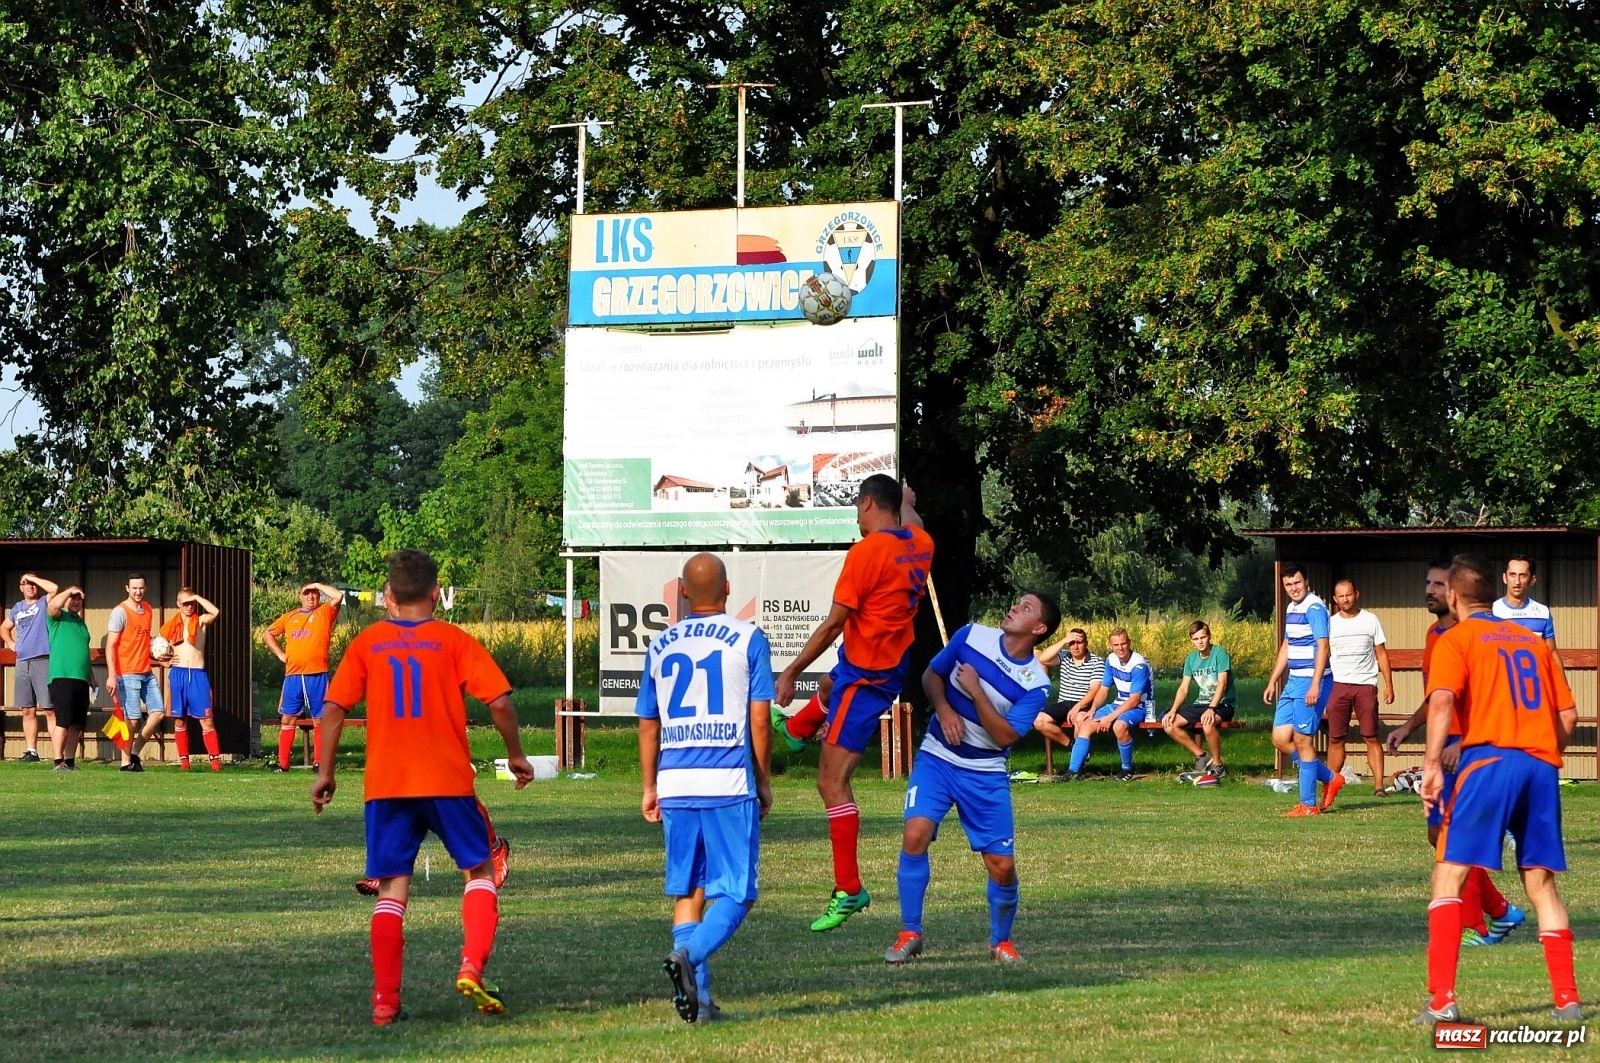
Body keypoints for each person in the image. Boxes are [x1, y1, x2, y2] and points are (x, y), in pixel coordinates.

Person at [312, 549, 533, 1026]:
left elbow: (333, 710)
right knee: (479, 872)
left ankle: (385, 1003)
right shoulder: (453, 640)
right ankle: (471, 964)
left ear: (388, 596)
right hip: (446, 781)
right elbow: (499, 700)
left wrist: (325, 771)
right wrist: (515, 754)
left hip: (387, 785)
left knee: (392, 890)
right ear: (437, 594)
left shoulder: (368, 642)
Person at [1416, 553, 1580, 1024]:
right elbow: (1566, 717)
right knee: (1541, 884)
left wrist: (1431, 764)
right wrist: (1542, 750)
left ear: (1453, 595)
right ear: (1492, 592)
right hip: (1541, 766)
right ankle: (1567, 1001)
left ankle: (1442, 1001)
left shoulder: (1457, 638)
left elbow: (1443, 698)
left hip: (1488, 761)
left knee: (1449, 875)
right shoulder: (1532, 642)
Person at [771, 474, 933, 932]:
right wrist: (907, 498)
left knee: (831, 784)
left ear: (865, 504)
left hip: (866, 678)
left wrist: (789, 671)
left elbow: (832, 625)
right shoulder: (919, 542)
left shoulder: (866, 552)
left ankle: (848, 888)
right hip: (880, 663)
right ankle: (798, 729)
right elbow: (915, 518)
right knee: (828, 685)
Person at [885, 592, 1059, 967]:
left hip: (985, 773)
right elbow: (931, 674)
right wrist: (945, 709)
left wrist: (976, 690)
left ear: (1039, 629)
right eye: (1017, 602)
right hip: (937, 757)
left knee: (1002, 866)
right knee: (915, 834)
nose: (1014, 607)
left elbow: (1006, 737)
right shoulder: (970, 635)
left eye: (1026, 608)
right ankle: (910, 932)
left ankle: (1001, 942)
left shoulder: (1036, 684)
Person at [637, 553, 774, 1023]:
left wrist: (648, 785)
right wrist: (763, 778)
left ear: (682, 591)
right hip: (727, 780)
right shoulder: (748, 638)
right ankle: (688, 958)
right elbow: (759, 717)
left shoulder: (660, 646)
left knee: (689, 890)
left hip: (675, 781)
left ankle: (702, 1004)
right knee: (739, 892)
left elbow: (647, 723)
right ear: (729, 588)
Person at [1387, 562, 1524, 948]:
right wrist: (1408, 727)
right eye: (1426, 582)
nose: (1430, 590)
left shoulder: (1480, 636)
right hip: (1443, 744)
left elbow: (1493, 698)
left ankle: (1475, 924)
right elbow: (1438, 697)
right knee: (1439, 835)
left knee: (1456, 838)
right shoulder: (1435, 635)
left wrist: (1462, 743)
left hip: (1470, 746)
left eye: (1438, 584)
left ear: (1456, 592)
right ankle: (1499, 910)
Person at [1263, 564, 1337, 816]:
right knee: (1280, 738)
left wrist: (1315, 684)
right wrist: (1273, 680)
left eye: (1297, 582)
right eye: (1288, 585)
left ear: (1306, 581)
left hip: (1312, 681)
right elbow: (1287, 645)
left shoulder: (1314, 607)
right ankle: (1329, 777)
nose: (1293, 588)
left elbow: (1324, 647)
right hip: (1294, 680)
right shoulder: (1292, 607)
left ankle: (1308, 805)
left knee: (1302, 740)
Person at [264, 581, 344, 772]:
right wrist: (280, 654)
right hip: (293, 676)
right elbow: (267, 634)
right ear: (300, 596)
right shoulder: (290, 617)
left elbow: (338, 596)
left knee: (319, 719)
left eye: (314, 593)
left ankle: (319, 762)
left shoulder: (324, 612)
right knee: (287, 719)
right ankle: (283, 765)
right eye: (306, 593)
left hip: (317, 674)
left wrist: (317, 584)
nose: (310, 597)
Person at [1325, 579, 1394, 792]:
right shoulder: (1330, 623)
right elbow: (1322, 654)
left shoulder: (1370, 620)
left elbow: (1381, 654)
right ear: (1335, 600)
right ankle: (1330, 786)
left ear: (1356, 594)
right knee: (1336, 738)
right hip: (1338, 685)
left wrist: (1388, 685)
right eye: (1341, 596)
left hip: (1365, 685)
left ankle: (1379, 787)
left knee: (1371, 736)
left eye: (1348, 595)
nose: (1345, 599)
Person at [1061, 628, 1151, 781]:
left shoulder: (1139, 664)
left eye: (1123, 644)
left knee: (1118, 726)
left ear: (1129, 643)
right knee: (1086, 723)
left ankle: (1127, 769)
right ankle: (1073, 770)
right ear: (1110, 645)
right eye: (1116, 645)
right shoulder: (1111, 659)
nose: (1120, 648)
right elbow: (1103, 689)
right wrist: (1093, 709)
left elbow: (1134, 700)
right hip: (1119, 703)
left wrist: (1110, 718)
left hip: (1139, 707)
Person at [1161, 621, 1235, 778]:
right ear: (1191, 640)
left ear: (1209, 637)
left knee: (1207, 724)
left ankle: (1217, 764)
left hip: (1222, 704)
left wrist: (1211, 709)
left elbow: (1223, 684)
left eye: (1203, 637)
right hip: (1201, 704)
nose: (1200, 642)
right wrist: (1173, 710)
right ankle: (1201, 755)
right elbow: (1183, 688)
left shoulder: (1220, 654)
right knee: (1169, 724)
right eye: (1196, 639)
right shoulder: (1191, 659)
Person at [106, 573, 164, 772]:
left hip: (146, 671)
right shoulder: (119, 612)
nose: (138, 591)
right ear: (127, 588)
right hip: (127, 673)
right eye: (134, 588)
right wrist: (112, 675)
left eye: (141, 588)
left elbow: (144, 641)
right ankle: (124, 763)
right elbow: (110, 646)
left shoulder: (148, 609)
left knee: (158, 713)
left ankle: (134, 753)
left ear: (145, 588)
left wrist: (160, 653)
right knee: (132, 719)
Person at [159, 588, 223, 772]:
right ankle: (185, 763)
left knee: (207, 719)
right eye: (185, 603)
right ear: (178, 604)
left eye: (191, 603)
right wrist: (164, 663)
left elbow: (215, 612)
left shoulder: (201, 621)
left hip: (197, 674)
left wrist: (196, 597)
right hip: (178, 673)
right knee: (179, 720)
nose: (189, 606)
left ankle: (215, 764)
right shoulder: (171, 625)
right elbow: (158, 648)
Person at [2, 573, 58, 762]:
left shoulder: (43, 601)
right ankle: (31, 751)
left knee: (49, 709)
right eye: (25, 584)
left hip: (43, 659)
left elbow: (54, 589)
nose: (30, 586)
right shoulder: (17, 608)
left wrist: (32, 577)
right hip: (23, 662)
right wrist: (11, 643)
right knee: (27, 710)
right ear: (20, 588)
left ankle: (58, 753)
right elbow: (4, 628)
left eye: (32, 584)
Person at [1031, 627, 1104, 761]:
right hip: (1064, 703)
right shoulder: (1064, 656)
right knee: (1039, 720)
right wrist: (1065, 640)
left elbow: (1094, 690)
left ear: (1086, 643)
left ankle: (1078, 766)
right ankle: (1072, 746)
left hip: (1083, 703)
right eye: (1072, 643)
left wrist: (1077, 707)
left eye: (1079, 643)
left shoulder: (1096, 662)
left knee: (1080, 719)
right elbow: (1043, 659)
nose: (1075, 647)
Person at [1493, 555, 1565, 680]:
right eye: (1512, 575)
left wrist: (1565, 689)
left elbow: (1552, 652)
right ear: (1504, 578)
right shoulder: (1492, 611)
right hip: (1501, 689)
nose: (1517, 581)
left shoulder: (1542, 612)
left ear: (1532, 579)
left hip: (1534, 689)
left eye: (1522, 575)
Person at [43, 584, 91, 771]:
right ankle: (58, 761)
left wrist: (91, 677)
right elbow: (53, 606)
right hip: (62, 677)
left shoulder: (81, 623)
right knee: (63, 721)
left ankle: (70, 762)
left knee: (77, 724)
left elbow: (84, 651)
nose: (76, 601)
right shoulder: (57, 618)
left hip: (81, 679)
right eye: (73, 598)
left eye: (79, 598)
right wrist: (69, 590)